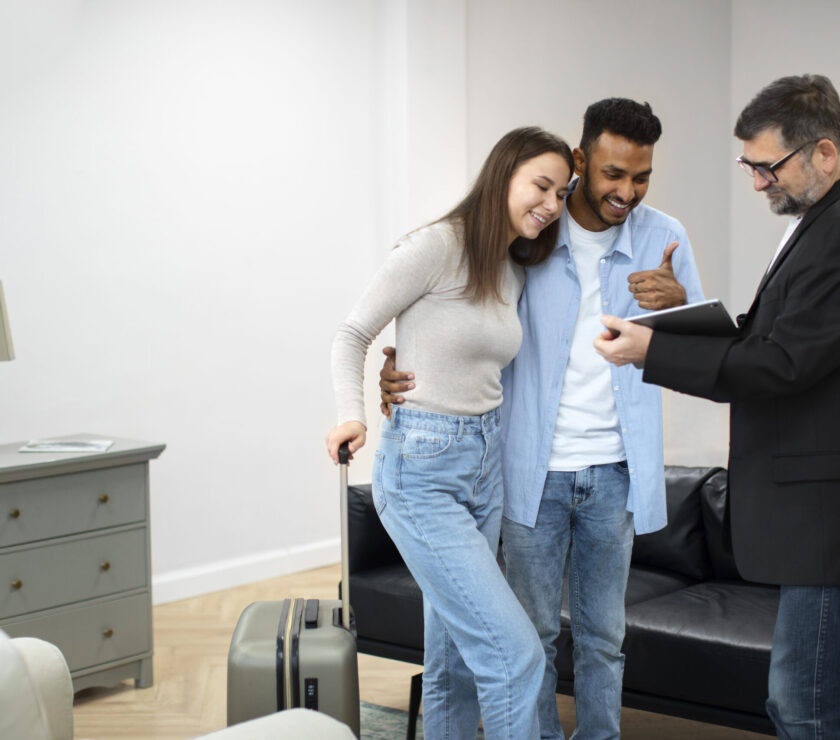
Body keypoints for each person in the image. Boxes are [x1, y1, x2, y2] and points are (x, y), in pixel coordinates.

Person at [380, 98, 704, 740]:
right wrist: (405, 369)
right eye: (614, 174)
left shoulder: (664, 238)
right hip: (530, 471)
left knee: (604, 640)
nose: (627, 192)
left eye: (641, 177)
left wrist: (682, 305)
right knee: (528, 636)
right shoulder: (532, 237)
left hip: (616, 471)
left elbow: (703, 351)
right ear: (583, 160)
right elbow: (466, 316)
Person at [594, 74, 840, 739]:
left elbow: (782, 365)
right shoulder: (813, 223)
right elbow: (776, 341)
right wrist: (677, 315)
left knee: (804, 705)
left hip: (822, 520)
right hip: (810, 517)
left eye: (768, 167)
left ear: (825, 154)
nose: (758, 183)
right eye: (749, 167)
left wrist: (652, 351)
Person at [326, 127, 575, 739]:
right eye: (541, 185)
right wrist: (352, 411)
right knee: (516, 658)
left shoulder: (512, 267)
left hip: (485, 465)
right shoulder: (434, 246)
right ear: (503, 176)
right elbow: (352, 334)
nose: (551, 203)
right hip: (423, 471)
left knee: (454, 662)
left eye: (562, 193)